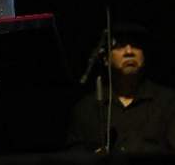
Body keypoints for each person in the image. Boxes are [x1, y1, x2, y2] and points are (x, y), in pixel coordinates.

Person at [68, 22, 175, 154]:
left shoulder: (168, 102)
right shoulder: (87, 107)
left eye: (135, 46)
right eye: (119, 46)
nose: (129, 52)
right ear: (106, 59)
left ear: (144, 56)